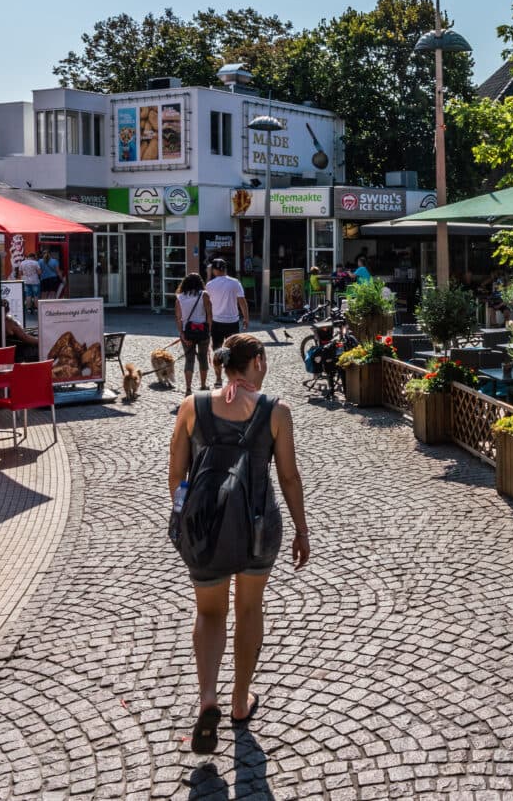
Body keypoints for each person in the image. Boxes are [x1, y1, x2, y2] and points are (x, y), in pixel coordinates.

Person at [168, 335, 310, 751]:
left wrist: (184, 519)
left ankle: (208, 695)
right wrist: (302, 530)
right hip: (257, 527)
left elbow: (177, 473)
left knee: (209, 612)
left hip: (205, 528)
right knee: (249, 608)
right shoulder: (276, 410)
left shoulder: (192, 405)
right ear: (259, 362)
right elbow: (288, 478)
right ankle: (239, 701)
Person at [174, 272, 215, 394]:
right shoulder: (204, 295)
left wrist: (181, 333)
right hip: (202, 331)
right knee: (203, 358)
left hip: (188, 332)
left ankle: (188, 388)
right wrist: (209, 331)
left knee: (189, 360)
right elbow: (209, 315)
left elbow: (178, 318)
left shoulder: (179, 297)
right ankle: (203, 385)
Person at [204, 260, 248, 356]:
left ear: (214, 270)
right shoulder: (235, 282)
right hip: (232, 321)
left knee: (217, 350)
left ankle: (218, 369)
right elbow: (242, 301)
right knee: (233, 349)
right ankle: (230, 368)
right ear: (225, 269)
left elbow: (205, 300)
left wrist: (208, 275)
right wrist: (246, 317)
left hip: (217, 321)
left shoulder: (210, 285)